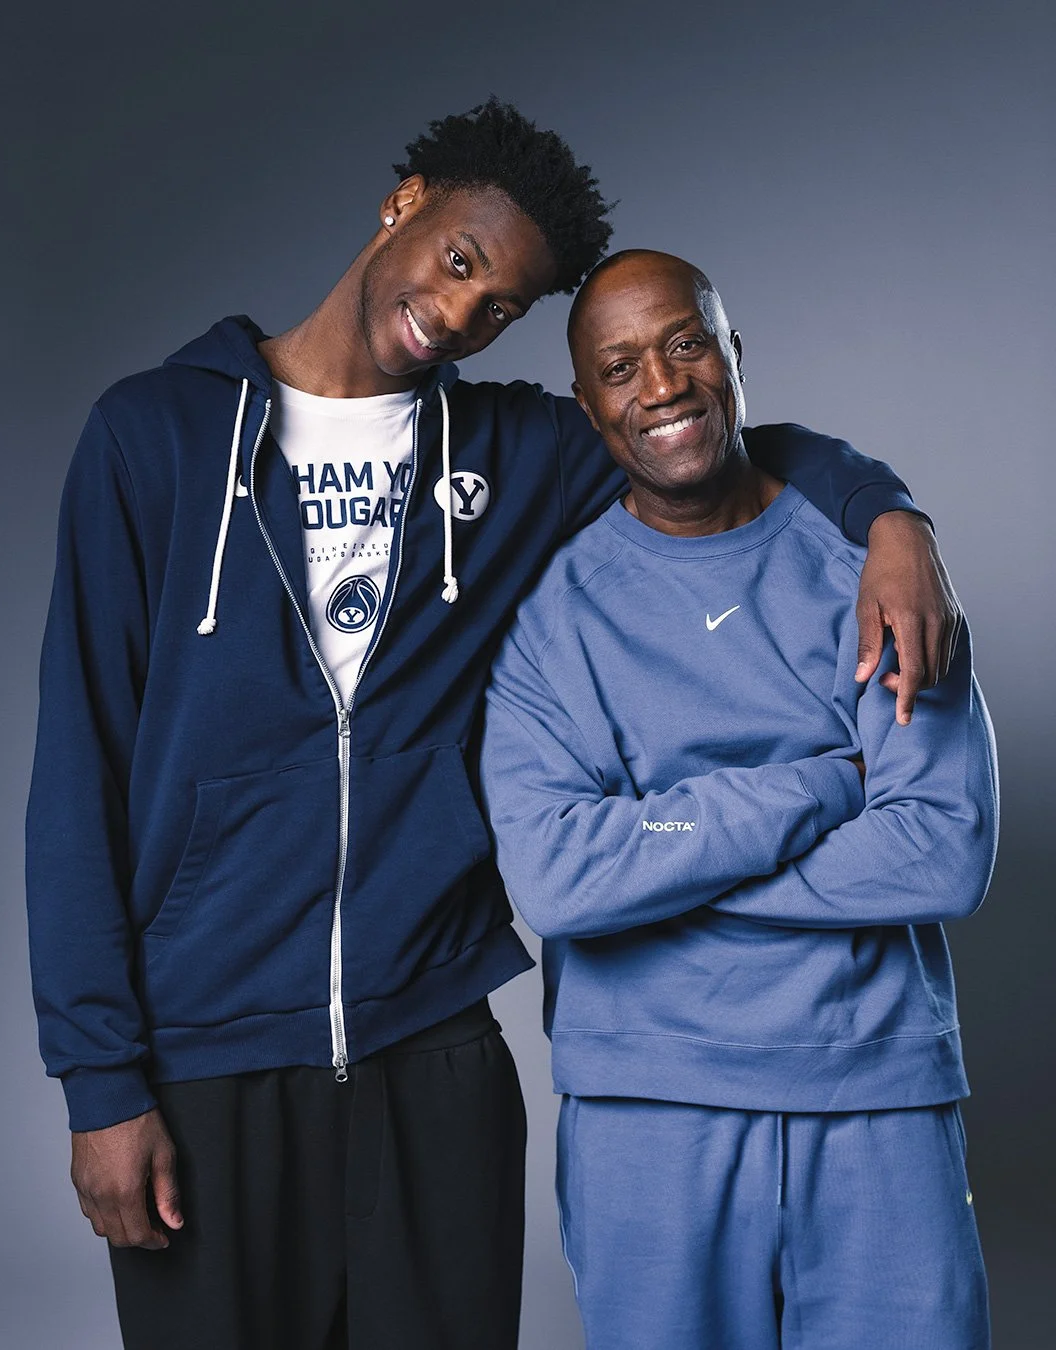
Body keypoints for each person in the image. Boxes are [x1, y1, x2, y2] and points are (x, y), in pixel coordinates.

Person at [27, 102, 961, 1350]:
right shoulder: (156, 436)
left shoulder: (513, 451)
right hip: (210, 1051)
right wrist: (100, 1080)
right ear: (404, 204)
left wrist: (890, 515)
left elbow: (703, 431)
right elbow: (77, 772)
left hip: (438, 1049)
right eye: (463, 263)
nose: (464, 315)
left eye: (504, 306)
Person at [481, 249, 997, 1350]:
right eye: (620, 366)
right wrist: (817, 788)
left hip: (876, 1093)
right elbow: (557, 880)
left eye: (685, 343)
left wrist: (657, 871)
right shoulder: (550, 620)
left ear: (731, 354)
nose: (661, 385)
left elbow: (940, 849)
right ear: (588, 406)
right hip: (648, 1107)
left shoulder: (872, 568)